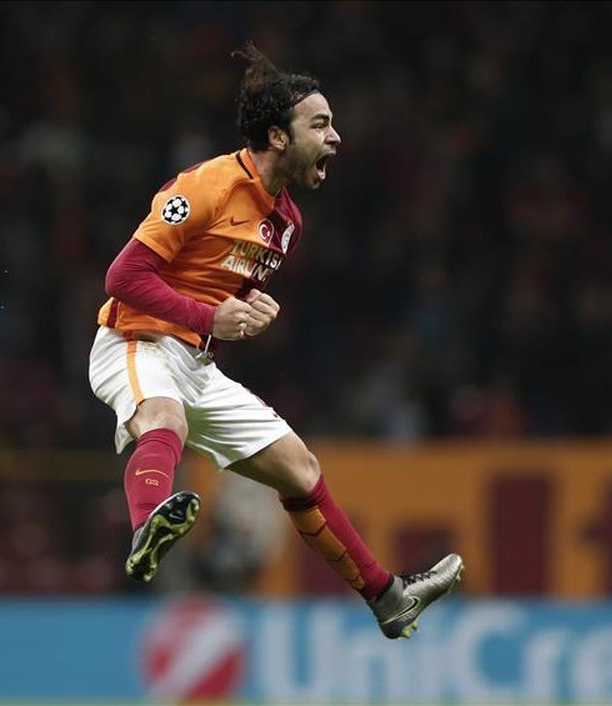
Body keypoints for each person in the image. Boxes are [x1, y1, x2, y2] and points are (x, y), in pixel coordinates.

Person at [88, 42, 463, 639]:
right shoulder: (208, 184)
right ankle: (147, 523)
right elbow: (124, 279)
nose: (336, 138)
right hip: (133, 340)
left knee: (301, 469)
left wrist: (243, 315)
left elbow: (216, 297)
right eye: (321, 124)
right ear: (279, 136)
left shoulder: (286, 223)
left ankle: (388, 597)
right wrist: (214, 319)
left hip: (195, 359)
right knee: (165, 419)